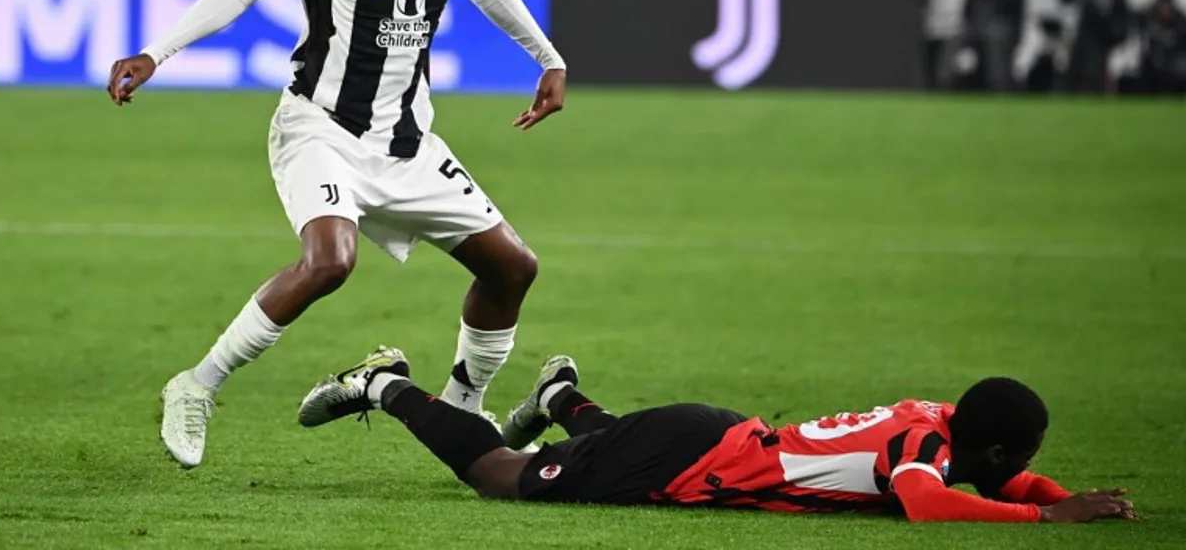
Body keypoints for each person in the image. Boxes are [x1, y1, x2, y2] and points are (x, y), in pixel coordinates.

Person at [105, 0, 568, 468]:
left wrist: (549, 59)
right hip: (319, 128)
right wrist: (157, 52)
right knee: (331, 261)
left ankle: (463, 412)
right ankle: (195, 387)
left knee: (513, 269)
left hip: (408, 145)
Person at [297, 347, 1138, 524]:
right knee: (502, 477)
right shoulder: (924, 457)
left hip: (717, 438)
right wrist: (1046, 520)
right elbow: (926, 505)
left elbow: (989, 484)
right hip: (693, 455)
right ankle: (387, 384)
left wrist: (1066, 500)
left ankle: (561, 395)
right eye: (1023, 464)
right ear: (989, 450)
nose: (1027, 474)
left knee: (604, 447)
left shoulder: (936, 424)